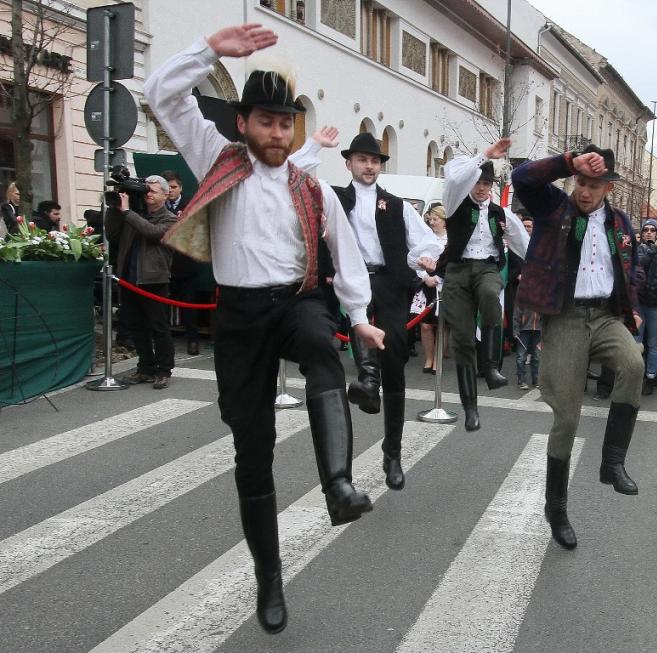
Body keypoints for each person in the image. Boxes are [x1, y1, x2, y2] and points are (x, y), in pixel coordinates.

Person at [145, 24, 385, 633]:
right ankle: (269, 578)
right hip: (240, 316)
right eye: (267, 122)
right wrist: (209, 52)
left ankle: (338, 485)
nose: (278, 134)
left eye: (286, 125)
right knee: (250, 452)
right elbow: (162, 95)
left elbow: (347, 254)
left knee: (319, 349)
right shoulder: (216, 158)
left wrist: (359, 320)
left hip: (299, 301)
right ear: (244, 123)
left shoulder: (313, 187)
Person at [512, 142, 643, 550]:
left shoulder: (620, 222)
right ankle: (557, 507)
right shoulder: (553, 208)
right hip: (566, 317)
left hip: (605, 316)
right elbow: (522, 178)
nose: (585, 191)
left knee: (633, 365)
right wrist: (567, 162)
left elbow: (629, 268)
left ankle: (612, 463)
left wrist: (632, 309)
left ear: (608, 188)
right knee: (566, 419)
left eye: (594, 184)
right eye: (581, 182)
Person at [317, 130, 443, 490]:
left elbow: (426, 241)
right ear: (349, 164)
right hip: (349, 277)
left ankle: (393, 452)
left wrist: (423, 257)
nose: (369, 166)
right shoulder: (335, 198)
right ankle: (368, 378)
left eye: (374, 161)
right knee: (358, 322)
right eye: (362, 160)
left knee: (396, 356)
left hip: (388, 280)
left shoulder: (397, 204)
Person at [437, 138, 529, 431]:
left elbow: (523, 244)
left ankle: (490, 366)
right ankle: (470, 408)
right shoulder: (454, 203)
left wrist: (544, 268)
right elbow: (454, 178)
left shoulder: (500, 213)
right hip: (458, 270)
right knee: (462, 339)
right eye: (478, 182)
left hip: (488, 268)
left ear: (492, 186)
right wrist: (484, 156)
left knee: (491, 295)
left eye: (487, 184)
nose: (481, 188)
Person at [105, 175, 178, 389]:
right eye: (147, 190)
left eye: (153, 191)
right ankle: (146, 368)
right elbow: (113, 234)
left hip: (154, 280)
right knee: (137, 327)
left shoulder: (171, 219)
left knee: (159, 327)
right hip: (129, 279)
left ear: (165, 195)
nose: (148, 194)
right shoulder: (134, 215)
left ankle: (164, 370)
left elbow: (153, 233)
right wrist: (115, 207)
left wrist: (128, 212)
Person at [162, 169, 206, 355]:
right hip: (164, 264)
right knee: (162, 306)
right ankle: (163, 342)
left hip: (185, 263)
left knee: (189, 305)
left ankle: (192, 340)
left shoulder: (190, 204)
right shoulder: (157, 205)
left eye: (173, 187)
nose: (170, 191)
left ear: (180, 187)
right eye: (167, 187)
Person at [636, 218, 657, 394]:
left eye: (652, 230)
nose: (648, 232)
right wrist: (655, 248)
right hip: (638, 303)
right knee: (636, 342)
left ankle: (651, 377)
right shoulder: (638, 249)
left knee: (655, 344)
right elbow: (641, 264)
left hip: (656, 305)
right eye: (645, 229)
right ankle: (635, 374)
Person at [418, 205, 447, 374]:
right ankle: (428, 358)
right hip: (426, 284)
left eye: (436, 219)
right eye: (430, 220)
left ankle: (438, 359)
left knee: (442, 324)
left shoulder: (451, 239)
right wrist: (425, 277)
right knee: (425, 325)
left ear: (444, 221)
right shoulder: (425, 237)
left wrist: (438, 278)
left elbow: (453, 263)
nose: (432, 222)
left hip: (444, 284)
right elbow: (415, 258)